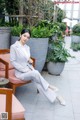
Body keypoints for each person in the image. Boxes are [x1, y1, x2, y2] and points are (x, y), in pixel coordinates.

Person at [10, 29, 66, 106]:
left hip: (29, 70)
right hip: (20, 73)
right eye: (24, 36)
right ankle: (49, 85)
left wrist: (29, 60)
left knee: (39, 83)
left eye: (28, 37)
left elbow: (26, 58)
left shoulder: (27, 47)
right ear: (20, 35)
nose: (26, 38)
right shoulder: (14, 47)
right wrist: (24, 70)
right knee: (36, 72)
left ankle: (57, 97)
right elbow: (13, 62)